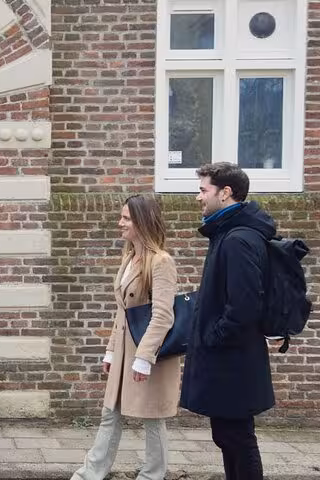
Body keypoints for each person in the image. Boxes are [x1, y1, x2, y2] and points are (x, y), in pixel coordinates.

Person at [71, 195, 180, 480]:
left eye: (127, 218)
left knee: (152, 417)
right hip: (123, 351)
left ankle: (152, 475)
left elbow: (163, 315)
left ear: (142, 222)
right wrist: (110, 351)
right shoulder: (130, 257)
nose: (120, 223)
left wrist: (144, 358)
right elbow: (122, 312)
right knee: (111, 412)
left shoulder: (161, 262)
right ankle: (90, 473)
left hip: (148, 353)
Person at [180, 163, 275, 480]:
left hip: (233, 360)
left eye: (203, 190)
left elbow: (244, 306)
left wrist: (213, 337)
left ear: (226, 192)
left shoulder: (238, 240)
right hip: (232, 359)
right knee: (229, 438)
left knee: (238, 439)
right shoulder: (228, 234)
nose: (198, 198)